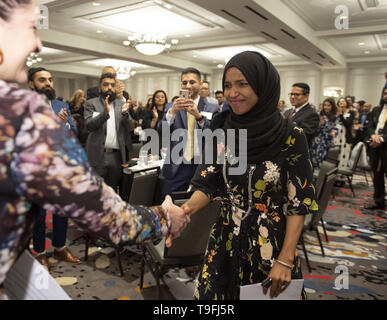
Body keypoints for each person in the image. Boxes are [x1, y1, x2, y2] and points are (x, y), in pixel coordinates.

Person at [0, 0, 189, 299]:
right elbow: (105, 214)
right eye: (29, 27)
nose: (37, 44)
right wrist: (165, 217)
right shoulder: (21, 114)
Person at [179, 51, 318, 300]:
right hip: (225, 237)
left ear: (263, 85)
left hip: (271, 242)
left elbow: (300, 203)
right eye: (228, 85)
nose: (233, 93)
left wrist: (286, 258)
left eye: (243, 84)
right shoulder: (221, 128)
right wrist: (186, 209)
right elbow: (209, 181)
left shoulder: (291, 135)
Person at [159, 68, 218, 198]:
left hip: (201, 165)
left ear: (200, 84)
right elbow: (161, 133)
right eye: (184, 82)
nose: (188, 86)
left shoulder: (211, 108)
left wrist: (198, 116)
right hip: (176, 166)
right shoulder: (171, 107)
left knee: (198, 211)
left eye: (192, 82)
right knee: (169, 206)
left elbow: (215, 136)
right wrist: (172, 113)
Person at [84, 72, 135, 192]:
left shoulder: (121, 104)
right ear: (100, 87)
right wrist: (104, 114)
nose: (109, 88)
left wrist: (125, 114)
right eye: (106, 85)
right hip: (97, 156)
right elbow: (89, 125)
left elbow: (130, 127)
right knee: (96, 192)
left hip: (116, 157)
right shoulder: (91, 103)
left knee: (112, 191)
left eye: (112, 85)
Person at [28, 67, 77, 135]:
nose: (48, 83)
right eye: (42, 80)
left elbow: (74, 132)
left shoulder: (62, 106)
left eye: (50, 80)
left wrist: (64, 124)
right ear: (31, 84)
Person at [364, 88, 387, 210]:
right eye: (385, 93)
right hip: (375, 148)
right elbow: (369, 126)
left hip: (385, 146)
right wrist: (373, 135)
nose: (385, 96)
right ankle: (379, 201)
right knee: (377, 176)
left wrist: (382, 139)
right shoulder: (376, 110)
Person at [284, 83, 319, 149]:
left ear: (306, 96)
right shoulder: (287, 112)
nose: (292, 97)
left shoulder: (312, 114)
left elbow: (304, 136)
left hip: (297, 154)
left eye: (296, 94)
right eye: (291, 94)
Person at [310, 98, 338, 170]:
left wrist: (334, 131)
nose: (326, 107)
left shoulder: (335, 117)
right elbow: (313, 129)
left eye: (328, 105)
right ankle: (315, 178)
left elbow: (337, 128)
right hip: (318, 142)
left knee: (327, 163)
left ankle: (323, 178)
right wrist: (319, 125)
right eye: (325, 105)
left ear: (332, 106)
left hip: (328, 142)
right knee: (316, 160)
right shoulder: (319, 115)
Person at [335, 97, 356, 175]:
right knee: (337, 156)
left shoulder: (351, 112)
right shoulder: (336, 113)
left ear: (346, 103)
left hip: (346, 138)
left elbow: (347, 123)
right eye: (339, 102)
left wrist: (341, 115)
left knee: (345, 155)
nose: (341, 103)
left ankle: (341, 176)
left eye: (343, 101)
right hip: (337, 138)